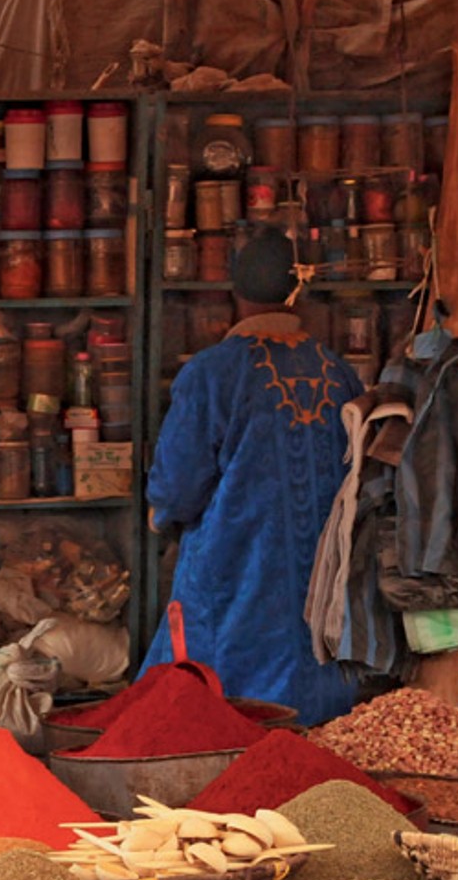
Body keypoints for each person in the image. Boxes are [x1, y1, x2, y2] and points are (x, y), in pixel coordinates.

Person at [140, 229, 362, 725]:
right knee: (316, 713)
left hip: (234, 568)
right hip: (325, 576)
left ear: (234, 292)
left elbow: (176, 488)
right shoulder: (339, 372)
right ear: (295, 291)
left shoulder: (212, 372)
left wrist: (164, 516)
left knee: (215, 708)